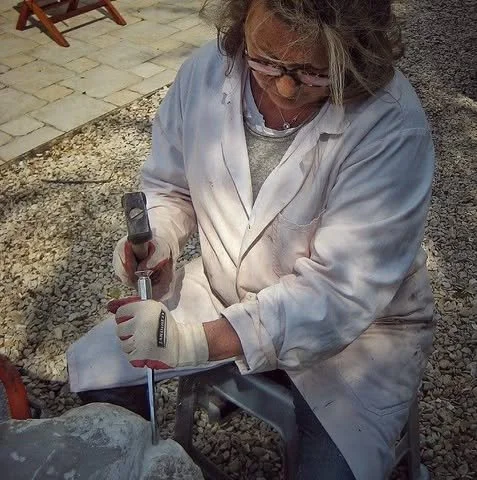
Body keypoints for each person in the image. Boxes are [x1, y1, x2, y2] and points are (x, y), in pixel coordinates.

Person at [67, 1, 436, 479]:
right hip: (225, 290)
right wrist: (159, 238)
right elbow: (170, 187)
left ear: (357, 51)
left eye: (313, 72)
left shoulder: (392, 125)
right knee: (98, 375)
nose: (284, 88)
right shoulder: (205, 73)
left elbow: (339, 294)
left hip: (360, 337)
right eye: (266, 61)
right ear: (243, 25)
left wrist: (196, 342)